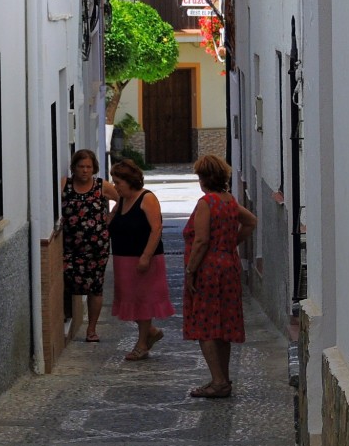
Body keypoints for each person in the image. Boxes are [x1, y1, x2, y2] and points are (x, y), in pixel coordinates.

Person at [183, 154, 258, 398]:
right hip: (229, 266)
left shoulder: (206, 203)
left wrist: (190, 271)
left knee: (205, 325)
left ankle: (217, 381)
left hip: (209, 269)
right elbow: (251, 222)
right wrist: (229, 244)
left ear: (203, 178)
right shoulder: (228, 201)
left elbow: (202, 240)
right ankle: (223, 378)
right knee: (223, 324)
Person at [107, 158, 175, 361]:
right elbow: (109, 222)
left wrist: (146, 257)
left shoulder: (147, 198)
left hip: (143, 260)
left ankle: (142, 344)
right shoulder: (121, 200)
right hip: (122, 259)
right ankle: (151, 332)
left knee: (143, 302)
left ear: (130, 181)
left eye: (118, 182)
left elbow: (156, 229)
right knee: (130, 301)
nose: (115, 186)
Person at [61, 150, 118, 342]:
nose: (85, 171)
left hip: (97, 248)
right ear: (74, 168)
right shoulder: (65, 185)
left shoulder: (102, 186)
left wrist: (109, 218)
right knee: (66, 280)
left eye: (88, 167)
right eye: (81, 166)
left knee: (95, 287)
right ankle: (65, 316)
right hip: (70, 247)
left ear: (94, 169)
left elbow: (123, 199)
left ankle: (91, 329)